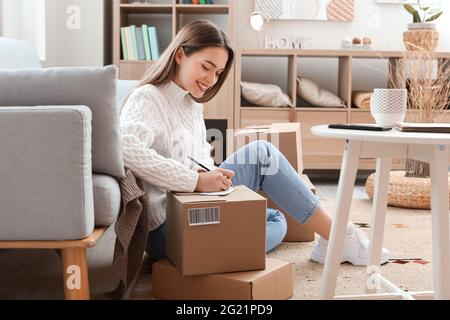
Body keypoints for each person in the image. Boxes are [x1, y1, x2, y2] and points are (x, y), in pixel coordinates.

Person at [119, 19, 390, 268]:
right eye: (206, 67)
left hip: (196, 204)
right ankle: (338, 235)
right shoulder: (148, 98)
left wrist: (209, 174)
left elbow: (195, 159)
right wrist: (195, 181)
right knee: (262, 154)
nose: (211, 80)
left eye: (218, 72)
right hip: (167, 226)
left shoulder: (191, 104)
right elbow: (126, 150)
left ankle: (217, 249)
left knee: (277, 220)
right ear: (180, 55)